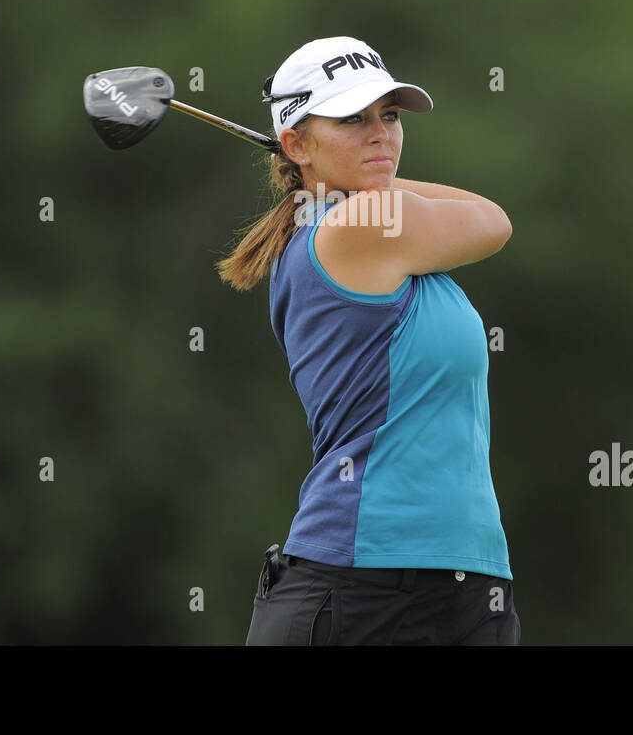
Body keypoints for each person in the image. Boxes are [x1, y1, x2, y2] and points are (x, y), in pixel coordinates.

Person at [216, 35, 519, 645]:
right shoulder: (356, 227)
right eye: (353, 120)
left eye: (390, 116)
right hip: (362, 586)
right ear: (295, 142)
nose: (382, 134)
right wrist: (352, 185)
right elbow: (493, 220)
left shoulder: (370, 227)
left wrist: (342, 171)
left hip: (468, 585)